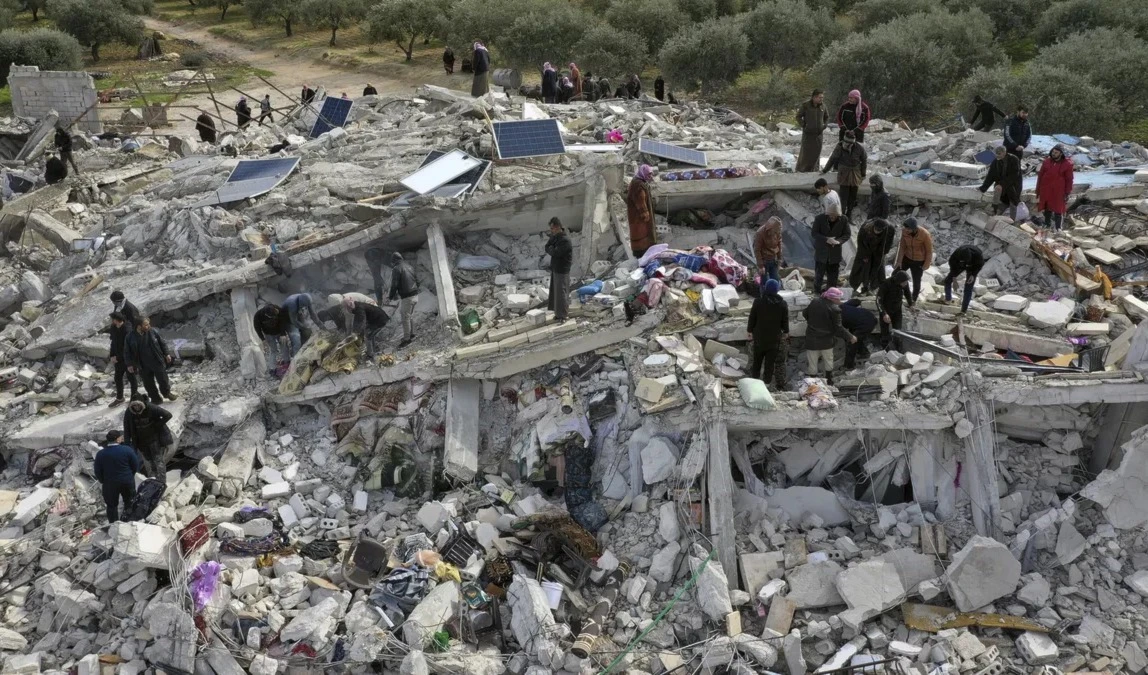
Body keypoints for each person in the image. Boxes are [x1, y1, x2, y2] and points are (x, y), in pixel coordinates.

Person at [802, 288, 855, 385]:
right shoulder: (835, 309)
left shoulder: (815, 301)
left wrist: (812, 322)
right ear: (832, 298)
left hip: (812, 338)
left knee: (812, 362)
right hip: (826, 340)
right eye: (838, 299)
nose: (840, 301)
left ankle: (812, 383)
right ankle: (829, 381)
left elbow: (804, 313)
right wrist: (850, 336)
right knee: (828, 360)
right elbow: (838, 328)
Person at [747, 278, 789, 387]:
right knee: (769, 363)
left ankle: (754, 383)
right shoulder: (782, 304)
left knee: (757, 361)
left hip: (759, 337)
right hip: (774, 338)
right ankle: (767, 384)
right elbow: (785, 320)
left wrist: (749, 330)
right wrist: (786, 332)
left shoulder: (758, 301)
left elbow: (752, 317)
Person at [125, 317, 177, 404]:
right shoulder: (130, 337)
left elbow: (162, 343)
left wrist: (167, 354)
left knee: (163, 380)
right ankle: (155, 398)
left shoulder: (153, 332)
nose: (149, 326)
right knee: (148, 384)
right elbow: (127, 352)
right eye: (146, 325)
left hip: (157, 360)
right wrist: (129, 364)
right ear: (139, 326)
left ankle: (167, 393)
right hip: (142, 364)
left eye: (148, 324)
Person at [94, 430, 141, 523]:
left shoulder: (101, 454)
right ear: (118, 439)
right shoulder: (127, 450)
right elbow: (135, 465)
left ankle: (114, 525)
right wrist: (129, 476)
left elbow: (97, 471)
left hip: (109, 483)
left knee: (111, 506)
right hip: (127, 481)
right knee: (129, 502)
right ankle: (129, 522)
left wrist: (103, 481)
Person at [123, 398, 174, 479]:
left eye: (138, 405)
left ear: (142, 404)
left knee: (158, 461)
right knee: (149, 461)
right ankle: (153, 478)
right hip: (141, 442)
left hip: (154, 440)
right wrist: (126, 445)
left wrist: (157, 425)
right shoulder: (129, 412)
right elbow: (127, 428)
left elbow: (168, 415)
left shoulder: (151, 407)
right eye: (134, 405)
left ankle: (161, 481)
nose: (136, 407)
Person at [822, 130, 867, 220]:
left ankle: (849, 215)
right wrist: (825, 170)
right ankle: (841, 216)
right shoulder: (839, 147)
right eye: (846, 142)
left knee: (853, 196)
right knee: (843, 197)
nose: (847, 145)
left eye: (849, 143)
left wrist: (863, 174)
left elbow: (864, 160)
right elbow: (832, 159)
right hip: (844, 174)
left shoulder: (859, 148)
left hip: (855, 174)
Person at [849, 217, 894, 295]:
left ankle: (874, 287)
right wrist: (865, 256)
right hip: (865, 249)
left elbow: (888, 243)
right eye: (876, 230)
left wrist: (883, 253)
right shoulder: (865, 228)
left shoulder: (889, 229)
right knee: (863, 267)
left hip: (879, 250)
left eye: (879, 231)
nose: (877, 232)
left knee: (878, 268)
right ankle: (858, 285)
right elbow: (860, 242)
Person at [812, 203, 850, 294]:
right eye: (830, 215)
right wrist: (826, 239)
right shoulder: (819, 219)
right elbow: (814, 233)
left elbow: (847, 234)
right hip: (822, 253)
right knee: (819, 275)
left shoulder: (844, 219)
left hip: (835, 253)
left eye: (834, 216)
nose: (832, 217)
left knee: (833, 277)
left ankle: (831, 293)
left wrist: (838, 241)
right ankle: (817, 292)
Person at [1036, 144, 1074, 232]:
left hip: (1059, 190)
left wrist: (1067, 192)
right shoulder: (1046, 162)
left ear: (1061, 154)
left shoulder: (1067, 164)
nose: (1053, 154)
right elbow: (1040, 176)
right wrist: (1038, 189)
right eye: (1053, 152)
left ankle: (1058, 228)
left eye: (1056, 152)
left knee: (1058, 208)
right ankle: (1047, 224)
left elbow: (1069, 179)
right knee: (1047, 207)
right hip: (1046, 188)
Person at [894, 217, 932, 304]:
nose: (906, 230)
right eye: (905, 228)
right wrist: (899, 261)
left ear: (914, 229)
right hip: (907, 257)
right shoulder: (904, 232)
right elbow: (902, 247)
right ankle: (897, 293)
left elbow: (929, 251)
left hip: (919, 260)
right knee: (895, 274)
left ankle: (913, 300)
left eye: (908, 229)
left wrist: (926, 264)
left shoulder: (925, 234)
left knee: (916, 281)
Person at [979, 145, 1022, 218]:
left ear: (1004, 152)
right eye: (996, 154)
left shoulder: (1013, 159)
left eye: (999, 154)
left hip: (1013, 184)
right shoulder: (995, 162)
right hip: (1001, 184)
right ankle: (994, 212)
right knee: (998, 194)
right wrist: (983, 188)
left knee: (1013, 201)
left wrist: (1002, 184)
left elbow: (1014, 175)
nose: (997, 155)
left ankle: (1012, 220)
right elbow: (990, 176)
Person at [108, 311, 139, 407]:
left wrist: (118, 357)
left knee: (131, 378)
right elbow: (113, 342)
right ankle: (120, 398)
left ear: (117, 320)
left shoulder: (127, 330)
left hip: (129, 359)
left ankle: (134, 398)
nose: (112, 321)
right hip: (118, 359)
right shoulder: (113, 328)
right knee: (117, 378)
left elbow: (128, 348)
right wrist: (112, 355)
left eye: (113, 319)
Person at [389, 252, 419, 347]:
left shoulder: (396, 269)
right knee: (410, 316)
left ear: (394, 261)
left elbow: (394, 285)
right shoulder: (409, 266)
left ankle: (407, 339)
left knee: (405, 318)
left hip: (407, 297)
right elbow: (417, 280)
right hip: (415, 295)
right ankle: (413, 333)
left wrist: (391, 296)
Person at [943, 245, 984, 315]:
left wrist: (973, 275)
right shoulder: (957, 254)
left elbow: (980, 265)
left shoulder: (977, 255)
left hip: (972, 268)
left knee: (968, 287)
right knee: (947, 281)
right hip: (959, 265)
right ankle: (948, 299)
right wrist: (954, 277)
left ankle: (963, 311)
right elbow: (952, 263)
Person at [546, 218, 573, 321]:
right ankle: (558, 314)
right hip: (556, 268)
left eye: (552, 228)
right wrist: (552, 248)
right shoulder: (555, 237)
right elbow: (547, 246)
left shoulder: (565, 240)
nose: (551, 230)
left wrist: (552, 249)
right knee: (555, 292)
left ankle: (563, 315)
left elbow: (556, 253)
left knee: (562, 293)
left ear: (557, 227)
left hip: (562, 269)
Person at [876, 270, 911, 350]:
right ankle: (885, 350)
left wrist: (910, 304)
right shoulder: (886, 284)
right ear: (899, 281)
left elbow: (907, 293)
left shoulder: (904, 284)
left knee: (898, 332)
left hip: (897, 310)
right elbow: (878, 300)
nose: (905, 284)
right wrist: (884, 313)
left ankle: (898, 350)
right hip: (886, 310)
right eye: (904, 282)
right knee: (885, 333)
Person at [796, 89, 829, 173]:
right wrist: (804, 125)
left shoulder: (823, 106)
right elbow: (798, 116)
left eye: (822, 97)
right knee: (806, 153)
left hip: (818, 134)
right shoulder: (806, 106)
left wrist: (824, 125)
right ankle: (802, 170)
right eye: (820, 97)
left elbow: (827, 117)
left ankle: (814, 170)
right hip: (808, 134)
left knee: (816, 152)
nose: (821, 99)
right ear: (814, 97)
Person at [627, 164, 657, 256]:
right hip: (639, 217)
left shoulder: (638, 181)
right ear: (643, 173)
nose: (650, 177)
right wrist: (645, 214)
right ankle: (642, 255)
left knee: (639, 234)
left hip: (636, 217)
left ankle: (641, 254)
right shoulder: (639, 186)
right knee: (642, 236)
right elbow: (640, 201)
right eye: (648, 174)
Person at [840, 299, 877, 369]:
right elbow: (857, 301)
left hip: (866, 323)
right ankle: (863, 352)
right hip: (866, 316)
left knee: (852, 342)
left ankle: (848, 366)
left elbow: (840, 330)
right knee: (855, 338)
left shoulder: (837, 318)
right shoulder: (842, 305)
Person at [255, 303, 290, 371]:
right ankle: (272, 368)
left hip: (279, 332)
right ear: (266, 315)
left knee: (284, 346)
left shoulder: (277, 309)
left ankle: (287, 362)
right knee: (273, 350)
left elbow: (283, 321)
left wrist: (283, 334)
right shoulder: (258, 315)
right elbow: (257, 328)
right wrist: (263, 339)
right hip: (268, 334)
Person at [753, 216, 783, 283]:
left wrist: (779, 259)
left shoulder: (777, 232)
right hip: (764, 260)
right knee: (764, 282)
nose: (776, 233)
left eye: (777, 231)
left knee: (775, 280)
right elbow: (757, 250)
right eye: (774, 231)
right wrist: (761, 266)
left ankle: (774, 292)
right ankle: (763, 293)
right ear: (770, 229)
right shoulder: (760, 233)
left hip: (773, 259)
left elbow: (779, 245)